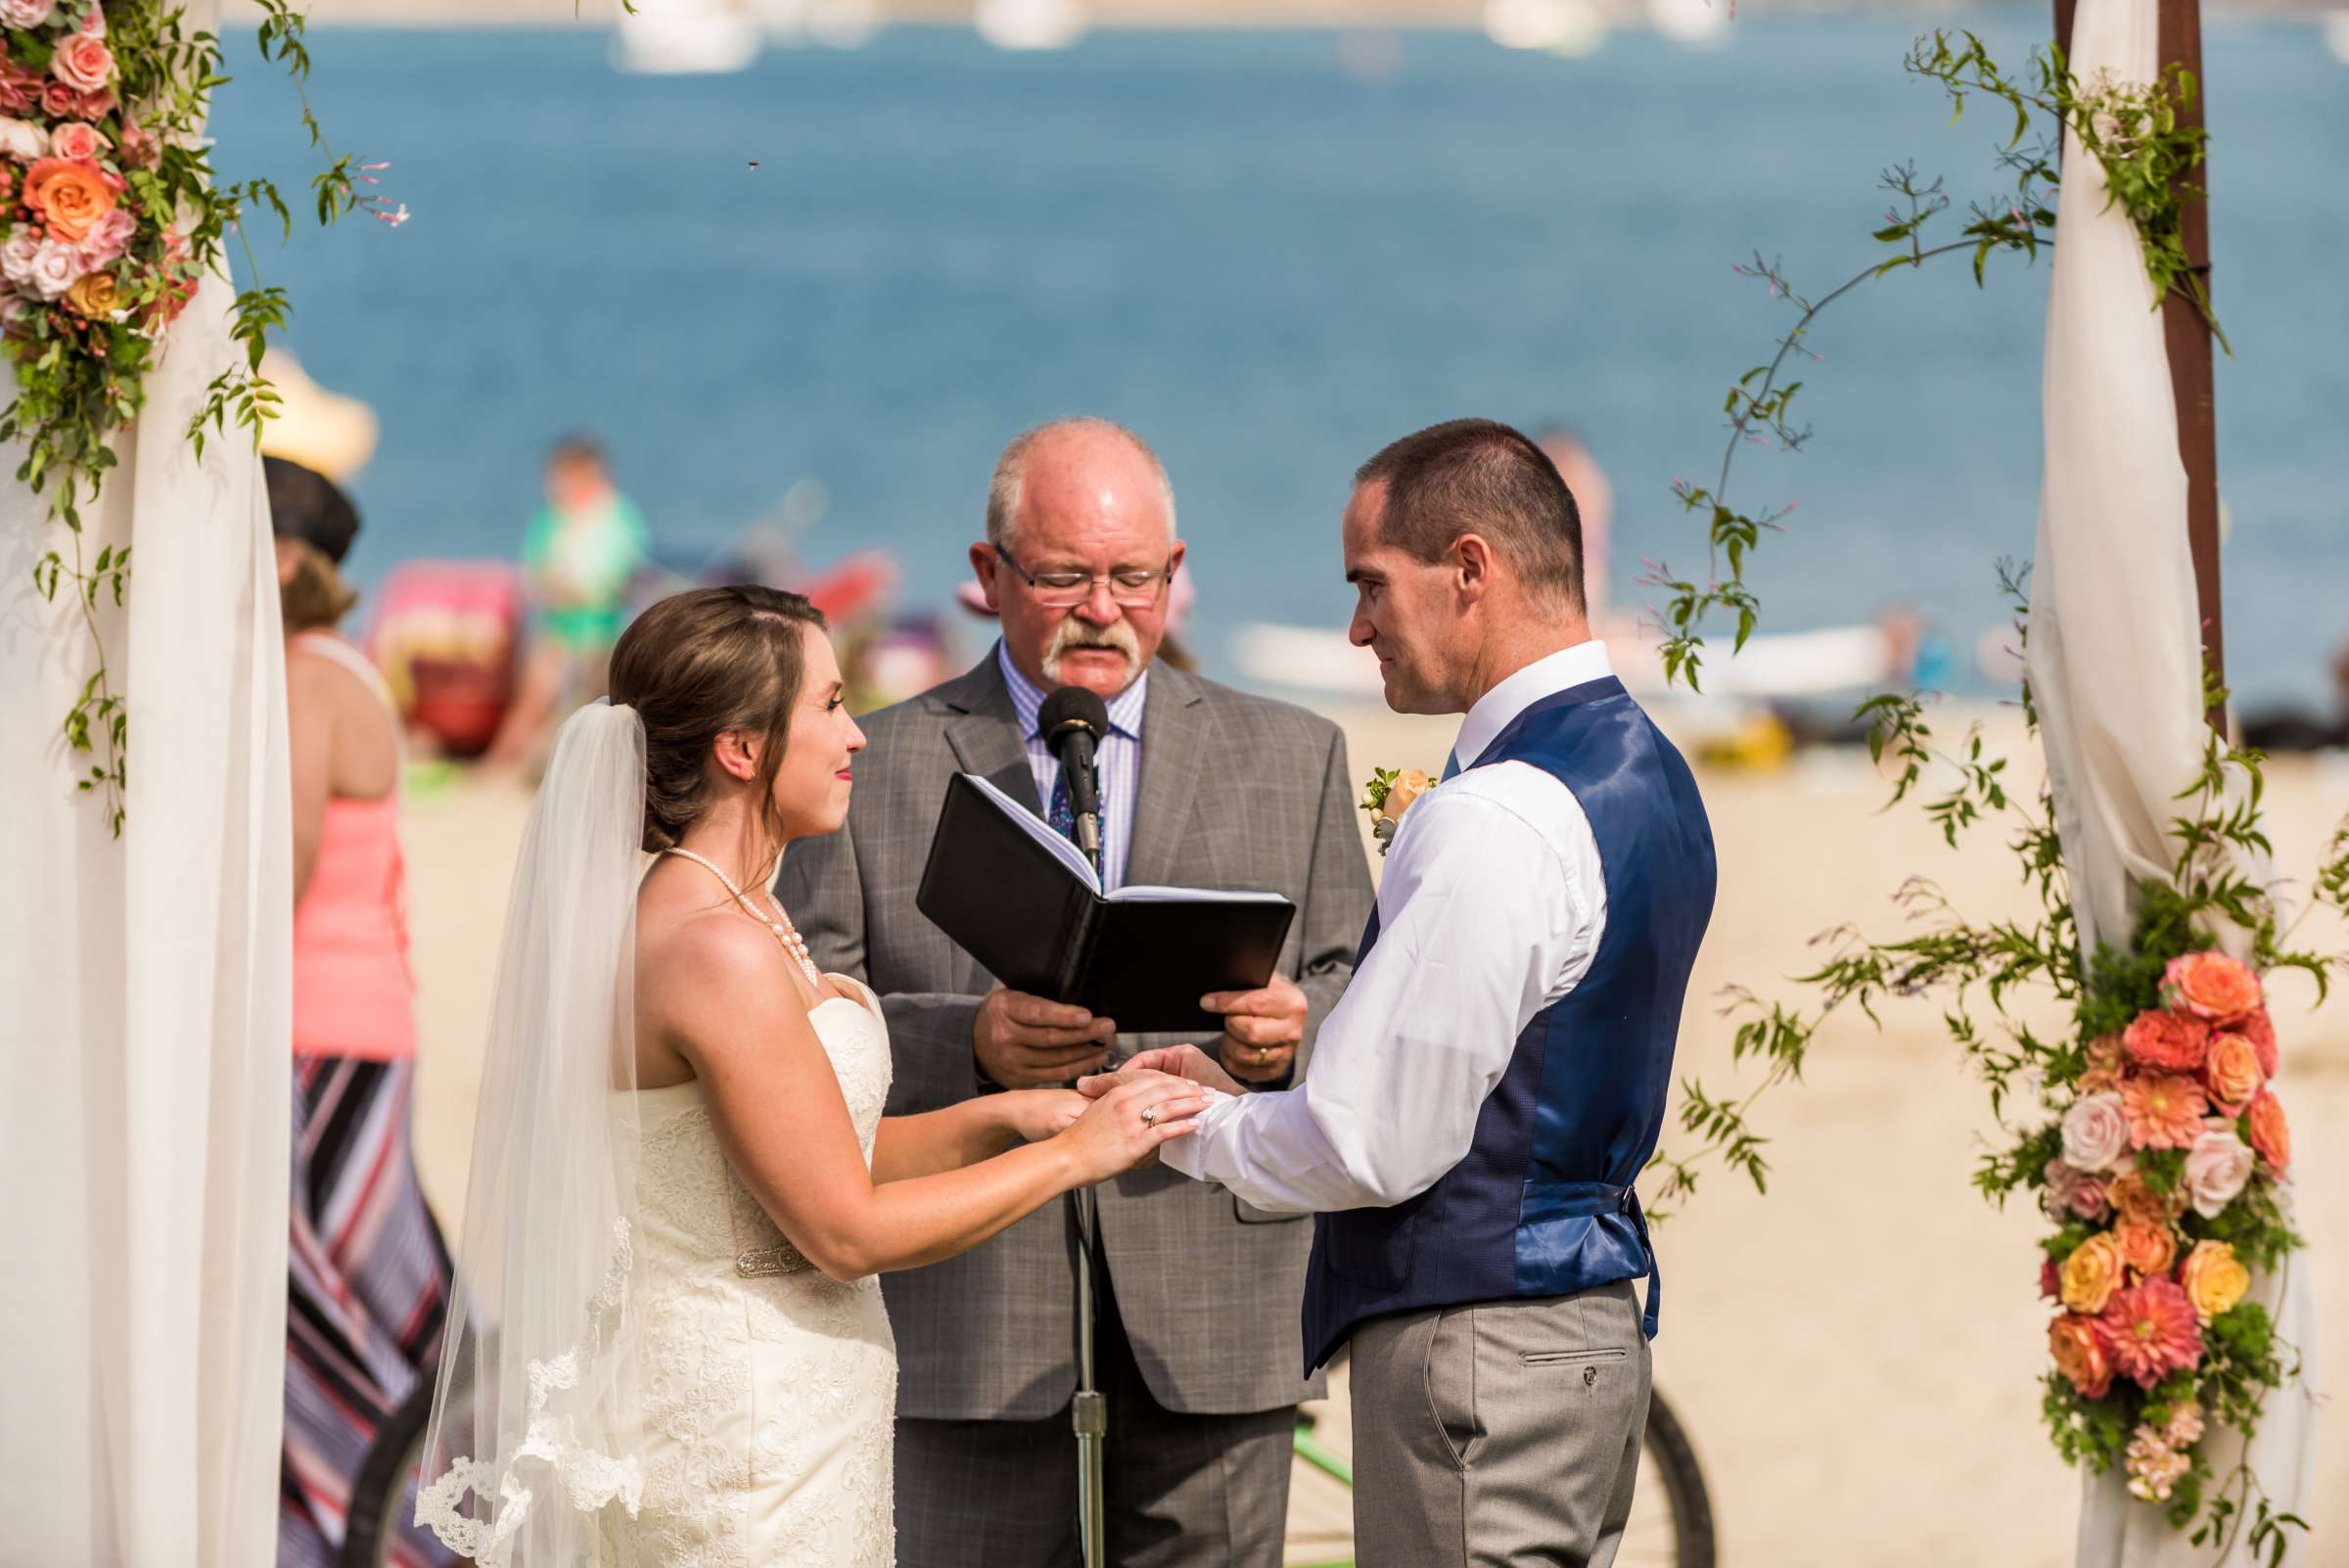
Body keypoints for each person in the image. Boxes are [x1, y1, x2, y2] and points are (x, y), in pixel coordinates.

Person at [413, 584, 1207, 1567]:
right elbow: (842, 1229)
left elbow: (818, 1155)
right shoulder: (714, 950)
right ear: (742, 750)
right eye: (829, 707)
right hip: (747, 1441)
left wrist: (1010, 1119)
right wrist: (1078, 1158)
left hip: (795, 1422)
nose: (857, 737)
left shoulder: (738, 914)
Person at [1093, 418, 1719, 1567]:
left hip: (1480, 1351)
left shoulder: (1497, 814)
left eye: (1373, 585)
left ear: (1470, 568)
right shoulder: (1654, 773)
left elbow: (1369, 1140)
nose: (1358, 625)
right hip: (1586, 1331)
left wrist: (1186, 1125)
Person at [778, 418, 1375, 1568]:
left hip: (1217, 1295)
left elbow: (1352, 980)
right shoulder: (876, 761)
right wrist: (972, 1044)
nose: (1102, 609)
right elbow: (802, 1016)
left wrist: (1291, 1035)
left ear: (1177, 575)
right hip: (965, 1309)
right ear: (990, 573)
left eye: (1134, 578)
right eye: (1062, 576)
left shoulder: (1294, 756)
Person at [269, 456, 457, 1568]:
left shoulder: (300, 676)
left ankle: (387, 1530)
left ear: (287, 561)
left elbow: (285, 864)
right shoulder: (350, 669)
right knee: (371, 1286)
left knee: (318, 1305)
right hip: (365, 1017)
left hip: (315, 1030)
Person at [484, 436, 652, 772]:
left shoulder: (616, 516)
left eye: (561, 476)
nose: (554, 484)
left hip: (604, 629)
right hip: (560, 627)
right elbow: (536, 579)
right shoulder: (550, 521)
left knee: (600, 698)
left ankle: (555, 762)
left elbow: (625, 575)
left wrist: (575, 591)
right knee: (535, 692)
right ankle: (503, 761)